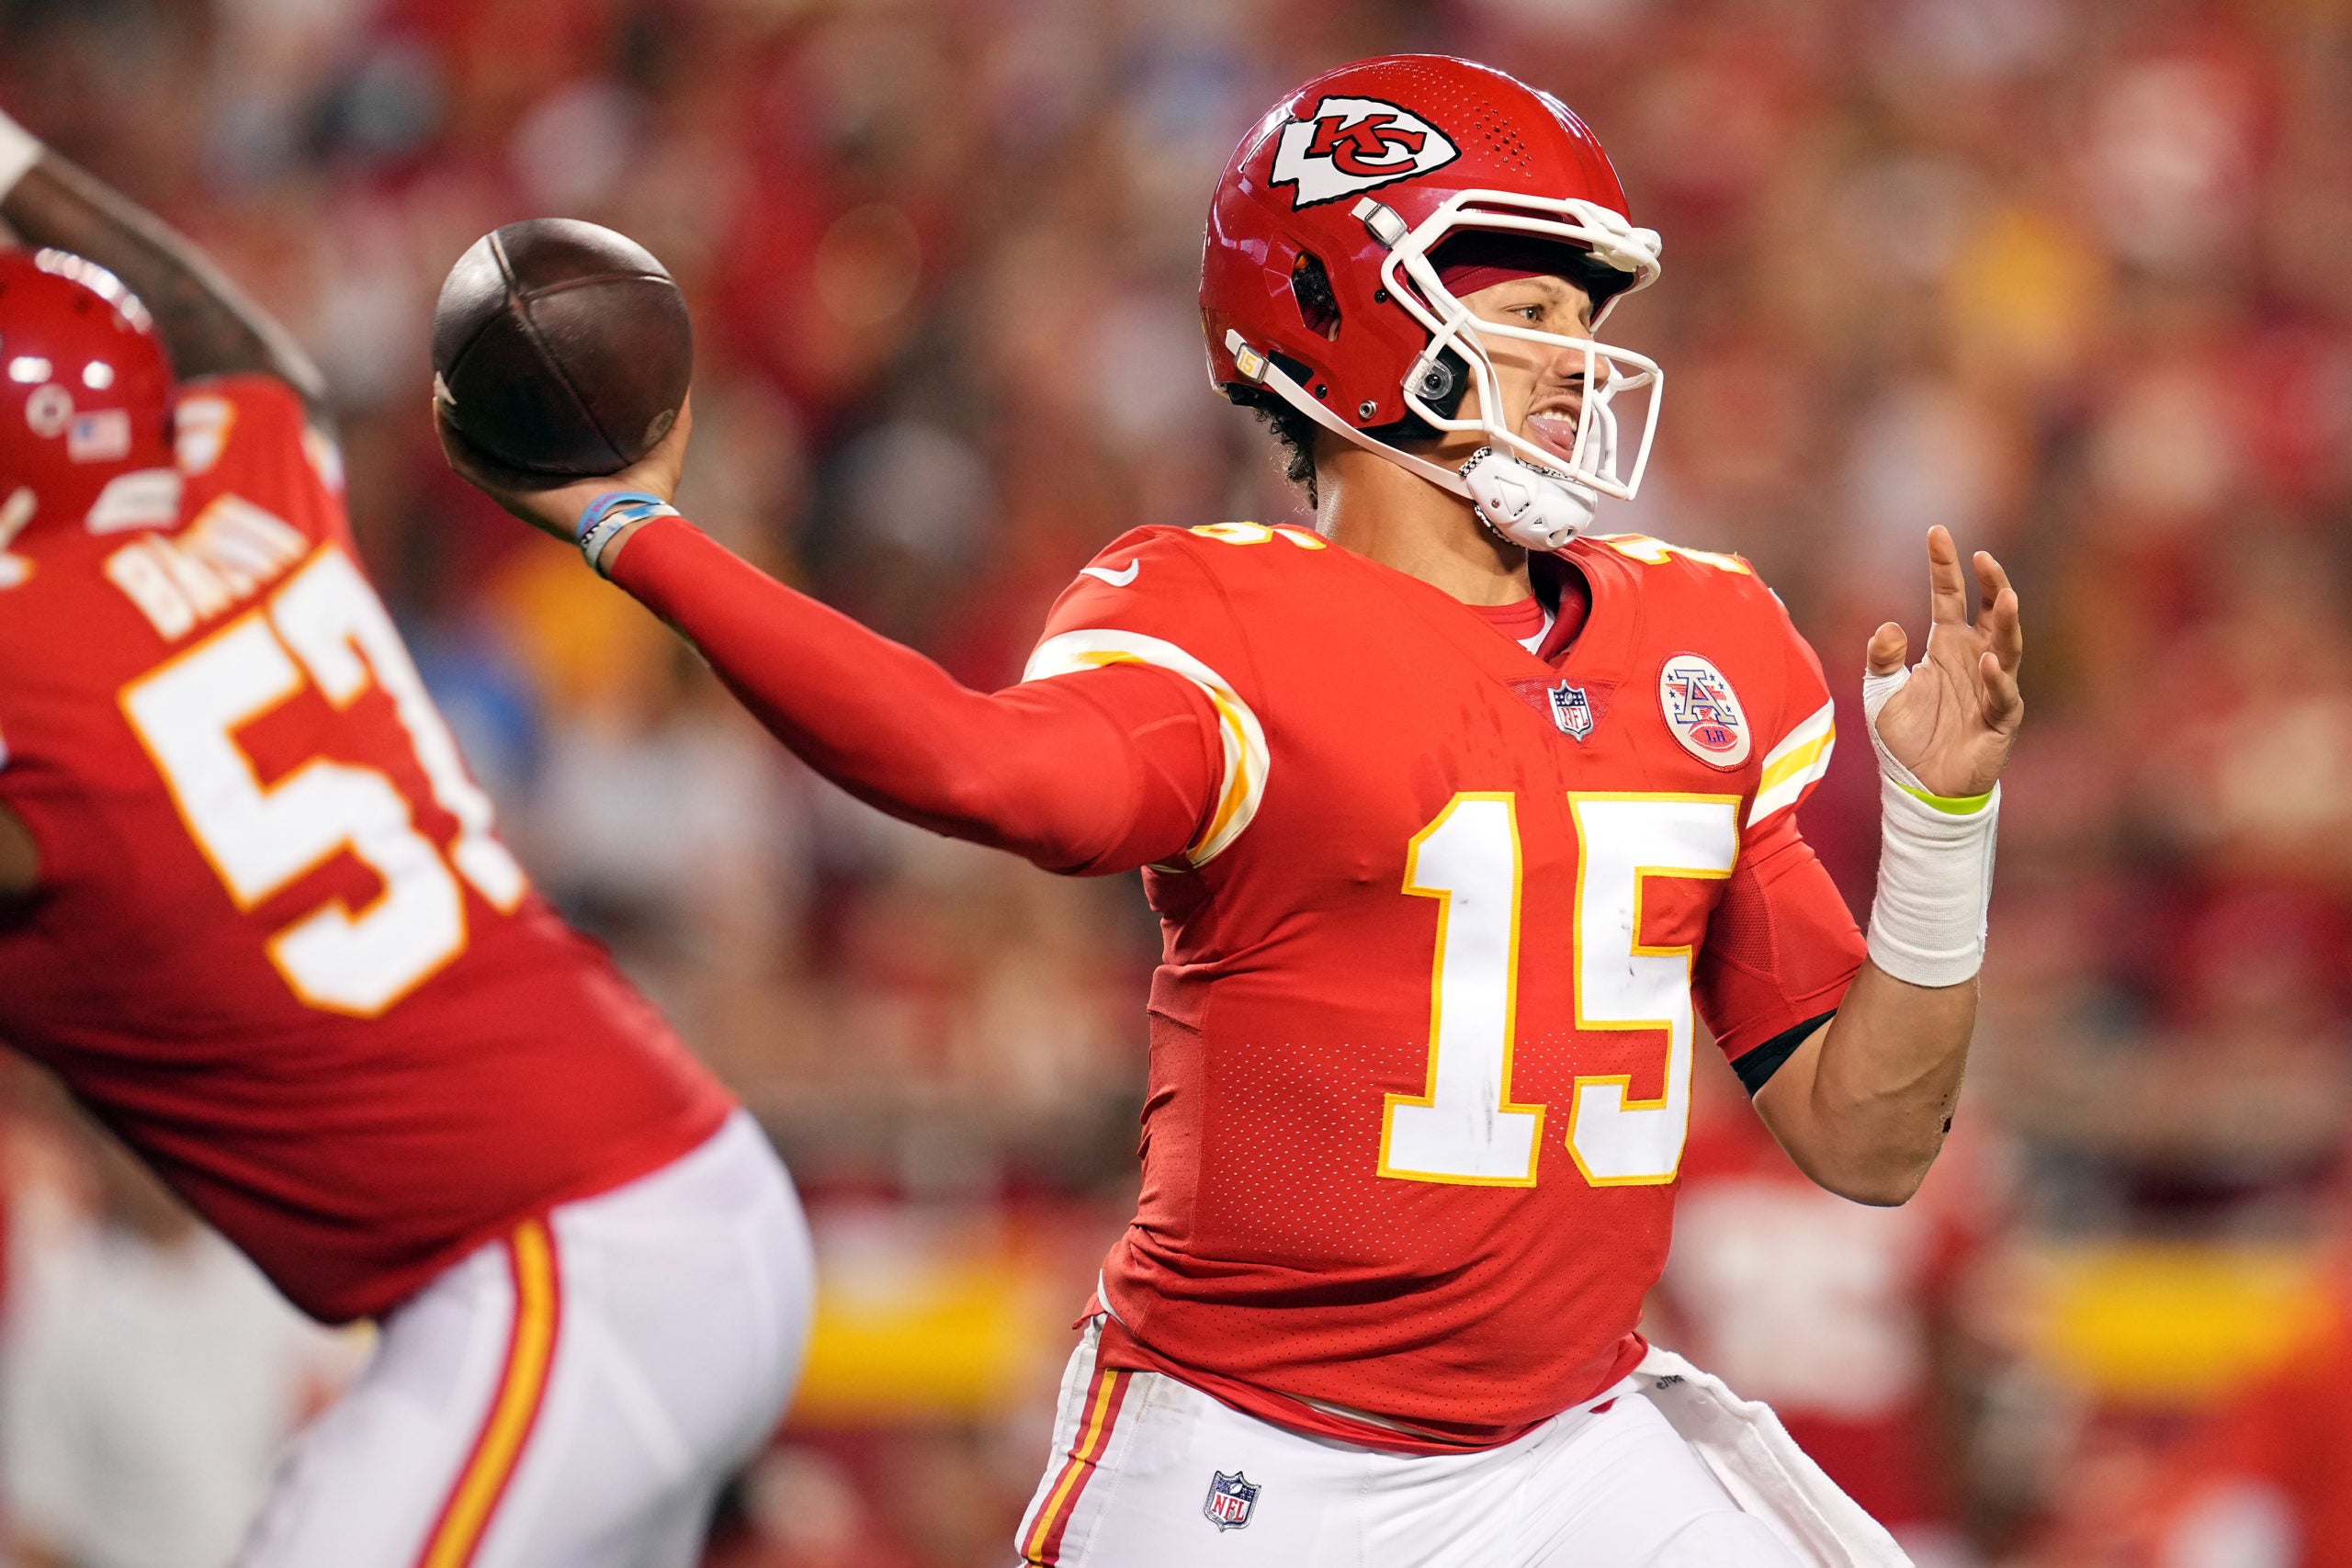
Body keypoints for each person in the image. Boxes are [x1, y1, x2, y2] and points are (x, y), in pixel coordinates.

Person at [444, 54, 2022, 1568]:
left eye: (1583, 315)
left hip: (1566, 1449)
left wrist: (1944, 819)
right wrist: (632, 530)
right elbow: (981, 769)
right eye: (1530, 308)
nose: (1575, 362)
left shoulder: (1708, 637)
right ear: (1340, 309)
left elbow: (1869, 1138)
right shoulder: (1219, 614)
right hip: (1257, 1453)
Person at [0, 107, 812, 1567]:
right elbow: (238, 348)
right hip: (662, 1212)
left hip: (558, 1269)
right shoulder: (256, 509)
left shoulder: (32, 687)